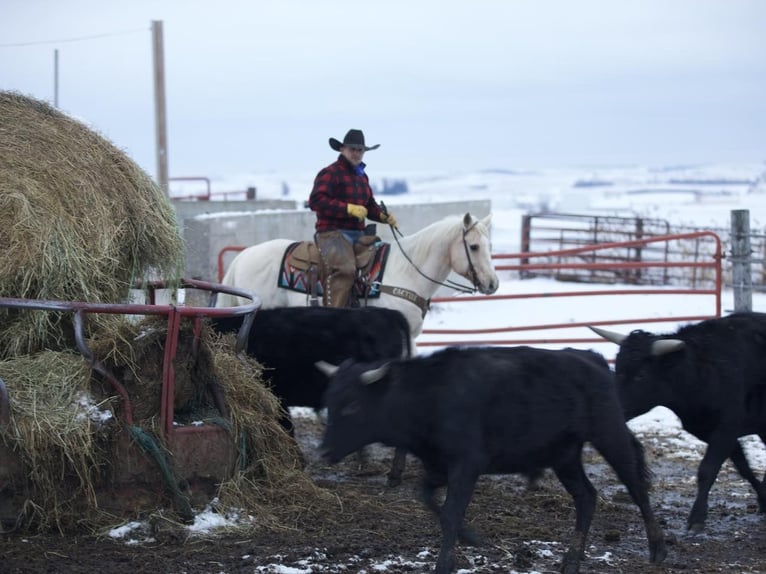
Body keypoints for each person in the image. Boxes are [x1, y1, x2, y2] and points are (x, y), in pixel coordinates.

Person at [308, 129, 398, 308]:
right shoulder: (330, 173)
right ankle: (334, 316)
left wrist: (381, 215)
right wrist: (348, 209)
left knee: (382, 263)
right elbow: (316, 201)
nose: (357, 153)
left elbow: (369, 205)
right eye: (352, 149)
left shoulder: (362, 176)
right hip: (332, 233)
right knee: (345, 269)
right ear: (342, 149)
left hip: (358, 234)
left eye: (360, 150)